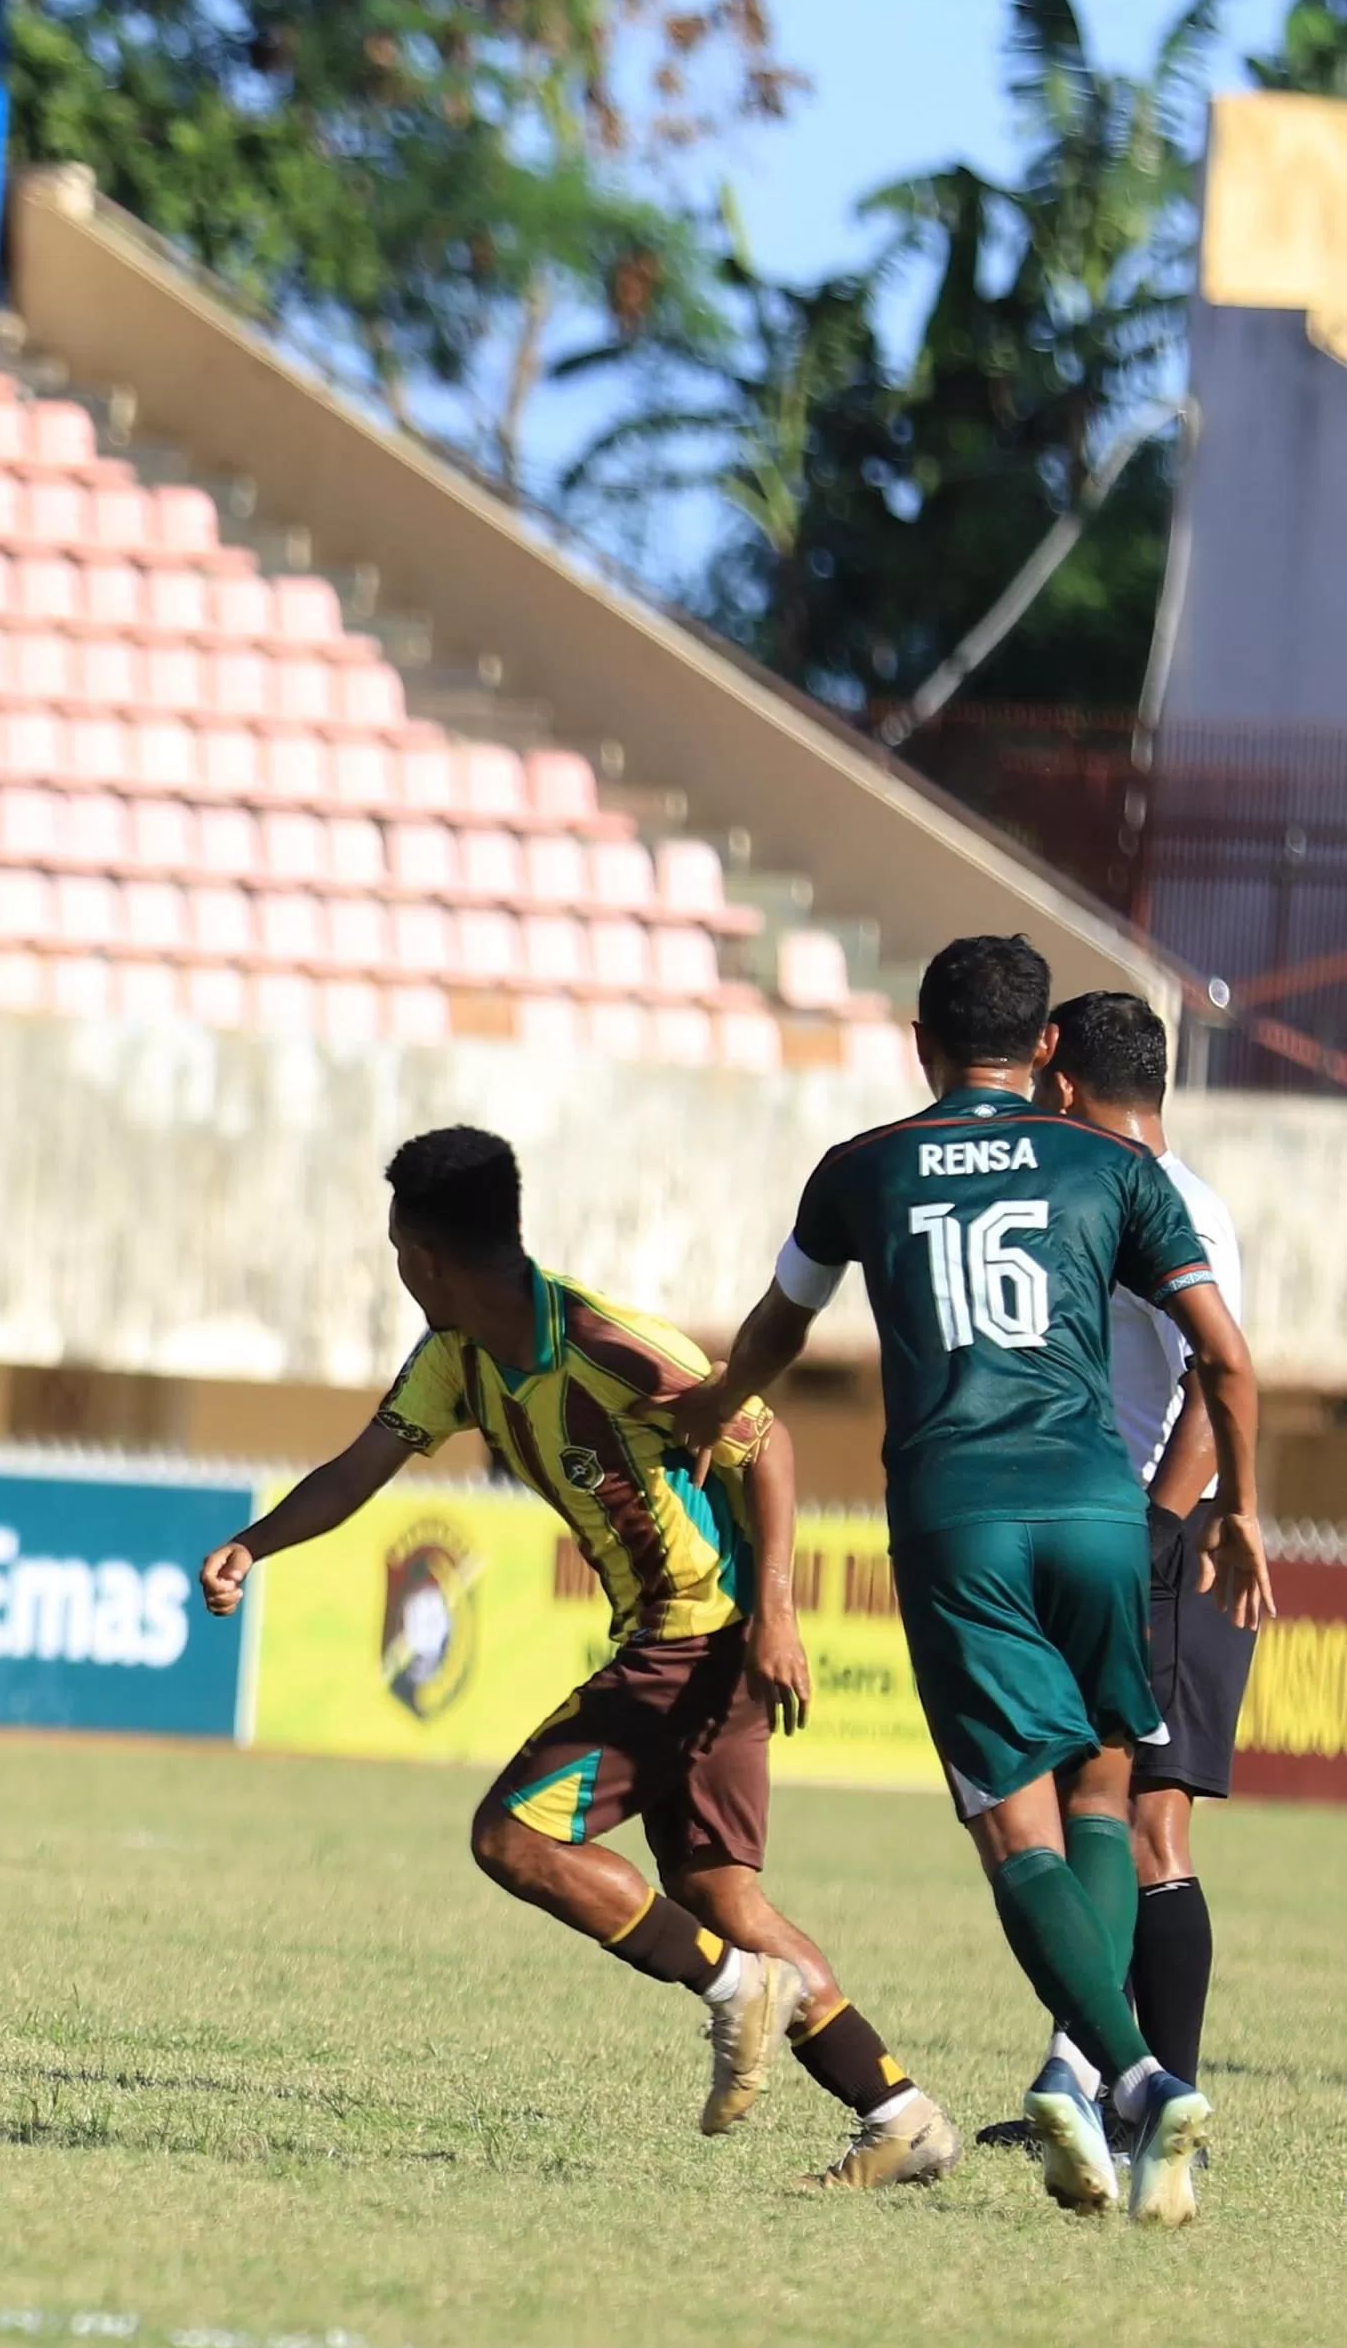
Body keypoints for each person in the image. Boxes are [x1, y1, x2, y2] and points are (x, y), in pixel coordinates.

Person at [199, 1128, 952, 2186]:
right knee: (721, 1897)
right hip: (690, 1643)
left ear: (422, 1259)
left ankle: (738, 1989)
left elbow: (765, 1440)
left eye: (396, 1253)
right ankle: (900, 2112)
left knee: (512, 1836)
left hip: (695, 1637)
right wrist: (254, 1542)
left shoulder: (608, 1344)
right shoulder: (455, 1360)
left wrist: (775, 1612)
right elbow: (359, 1467)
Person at [682, 935, 1272, 2226]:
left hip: (960, 1516)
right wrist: (1243, 1512)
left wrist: (719, 1401)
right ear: (1044, 1047)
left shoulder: (863, 1167)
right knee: (1109, 1779)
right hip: (1099, 1510)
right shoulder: (1118, 1167)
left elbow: (780, 1322)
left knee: (1016, 1821)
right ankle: (1120, 2071)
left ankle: (1131, 2072)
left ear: (917, 1038)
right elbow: (1225, 1359)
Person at [970, 991, 1256, 2155]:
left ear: (1065, 1084)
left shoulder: (1161, 1203)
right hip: (1120, 1534)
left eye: (1043, 1091)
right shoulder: (1138, 1192)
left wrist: (1157, 1524)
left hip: (1160, 1544)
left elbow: (1215, 1376)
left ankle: (1152, 2104)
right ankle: (1096, 2093)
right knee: (1100, 1818)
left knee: (1146, 1832)